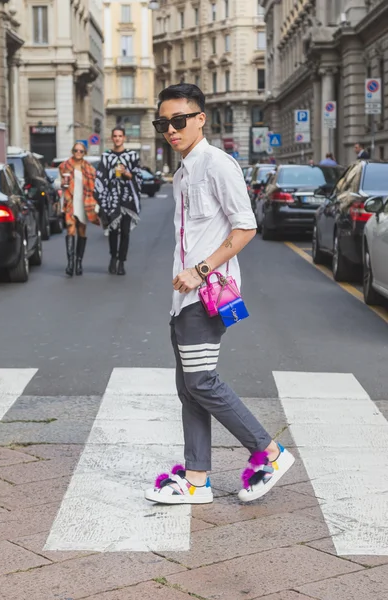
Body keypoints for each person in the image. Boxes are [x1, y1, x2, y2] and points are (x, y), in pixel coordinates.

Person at [144, 83, 295, 506]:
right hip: (185, 297)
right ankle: (196, 480)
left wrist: (200, 270)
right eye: (163, 124)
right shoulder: (182, 172)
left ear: (199, 119)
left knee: (202, 383)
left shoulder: (217, 164)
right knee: (189, 388)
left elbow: (245, 226)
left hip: (207, 294)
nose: (170, 130)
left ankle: (270, 452)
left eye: (178, 121)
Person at [94, 127, 141, 276]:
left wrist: (127, 174)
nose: (117, 138)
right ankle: (113, 258)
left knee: (125, 232)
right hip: (111, 199)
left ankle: (122, 262)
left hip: (127, 199)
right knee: (113, 230)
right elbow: (100, 178)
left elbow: (138, 176)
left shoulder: (132, 156)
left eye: (120, 136)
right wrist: (102, 198)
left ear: (124, 138)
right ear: (112, 138)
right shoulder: (106, 157)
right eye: (115, 136)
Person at [59, 142, 100, 277]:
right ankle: (70, 264)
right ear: (72, 151)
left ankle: (79, 262)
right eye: (76, 150)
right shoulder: (64, 166)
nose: (78, 153)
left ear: (84, 153)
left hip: (84, 202)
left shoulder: (89, 168)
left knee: (81, 231)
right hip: (70, 200)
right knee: (70, 230)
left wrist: (96, 203)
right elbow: (59, 182)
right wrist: (61, 184)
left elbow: (94, 187)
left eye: (81, 151)